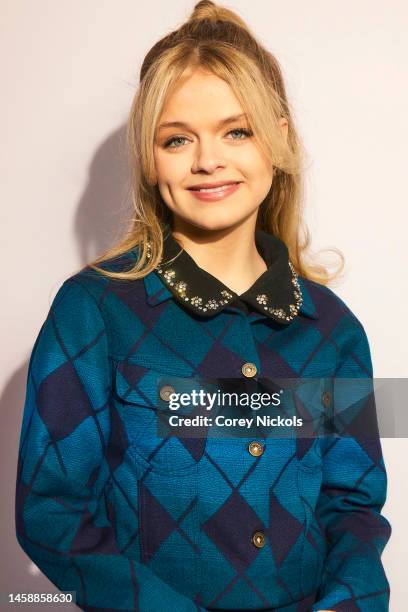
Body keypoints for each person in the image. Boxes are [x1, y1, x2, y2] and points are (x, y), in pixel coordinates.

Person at [15, 1, 392, 610]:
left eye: (236, 131)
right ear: (149, 154)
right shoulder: (93, 312)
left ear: (279, 138)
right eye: (177, 139)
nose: (207, 160)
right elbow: (52, 511)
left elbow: (352, 506)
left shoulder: (333, 330)